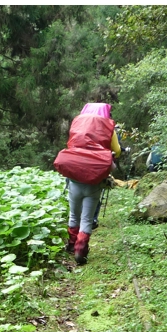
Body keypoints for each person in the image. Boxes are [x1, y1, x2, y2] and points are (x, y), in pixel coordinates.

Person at [56, 102, 122, 264]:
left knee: (74, 214)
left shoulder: (78, 124)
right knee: (86, 219)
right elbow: (117, 151)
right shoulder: (108, 129)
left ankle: (71, 245)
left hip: (75, 181)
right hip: (94, 182)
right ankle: (81, 250)